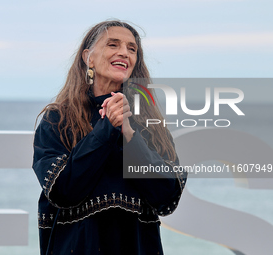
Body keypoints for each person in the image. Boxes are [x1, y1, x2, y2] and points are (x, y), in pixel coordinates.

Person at [33, 20, 187, 255]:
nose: (124, 53)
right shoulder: (58, 119)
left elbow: (166, 196)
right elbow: (62, 190)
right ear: (89, 57)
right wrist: (106, 129)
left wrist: (129, 134)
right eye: (113, 44)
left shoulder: (149, 123)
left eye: (132, 49)